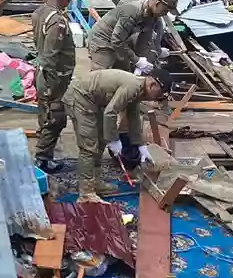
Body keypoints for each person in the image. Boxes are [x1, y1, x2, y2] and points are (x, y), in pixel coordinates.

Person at [64, 68, 166, 199]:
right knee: (88, 145)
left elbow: (133, 117)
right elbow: (110, 112)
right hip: (80, 97)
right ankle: (86, 193)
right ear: (153, 85)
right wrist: (114, 140)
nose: (158, 99)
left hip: (93, 101)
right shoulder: (133, 86)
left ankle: (95, 181)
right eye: (160, 95)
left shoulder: (139, 89)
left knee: (100, 139)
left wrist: (141, 146)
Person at [31, 0, 80, 172]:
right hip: (54, 77)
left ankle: (44, 151)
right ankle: (43, 158)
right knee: (56, 117)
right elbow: (50, 55)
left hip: (45, 74)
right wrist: (52, 85)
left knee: (46, 114)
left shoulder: (40, 12)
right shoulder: (57, 21)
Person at [86, 0, 175, 71]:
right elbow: (117, 40)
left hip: (120, 41)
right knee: (101, 76)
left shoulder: (152, 16)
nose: (165, 14)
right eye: (165, 11)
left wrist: (154, 53)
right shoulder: (133, 12)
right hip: (101, 39)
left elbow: (144, 42)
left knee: (123, 72)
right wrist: (137, 60)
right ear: (157, 4)